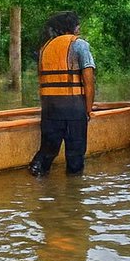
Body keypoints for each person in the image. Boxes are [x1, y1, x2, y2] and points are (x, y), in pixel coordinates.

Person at [29, 11, 96, 176]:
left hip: (50, 109)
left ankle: (36, 180)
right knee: (75, 157)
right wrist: (88, 110)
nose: (79, 28)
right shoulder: (79, 45)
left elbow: (42, 81)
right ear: (72, 27)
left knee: (47, 152)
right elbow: (89, 81)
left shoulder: (45, 48)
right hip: (74, 108)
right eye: (77, 25)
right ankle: (73, 189)